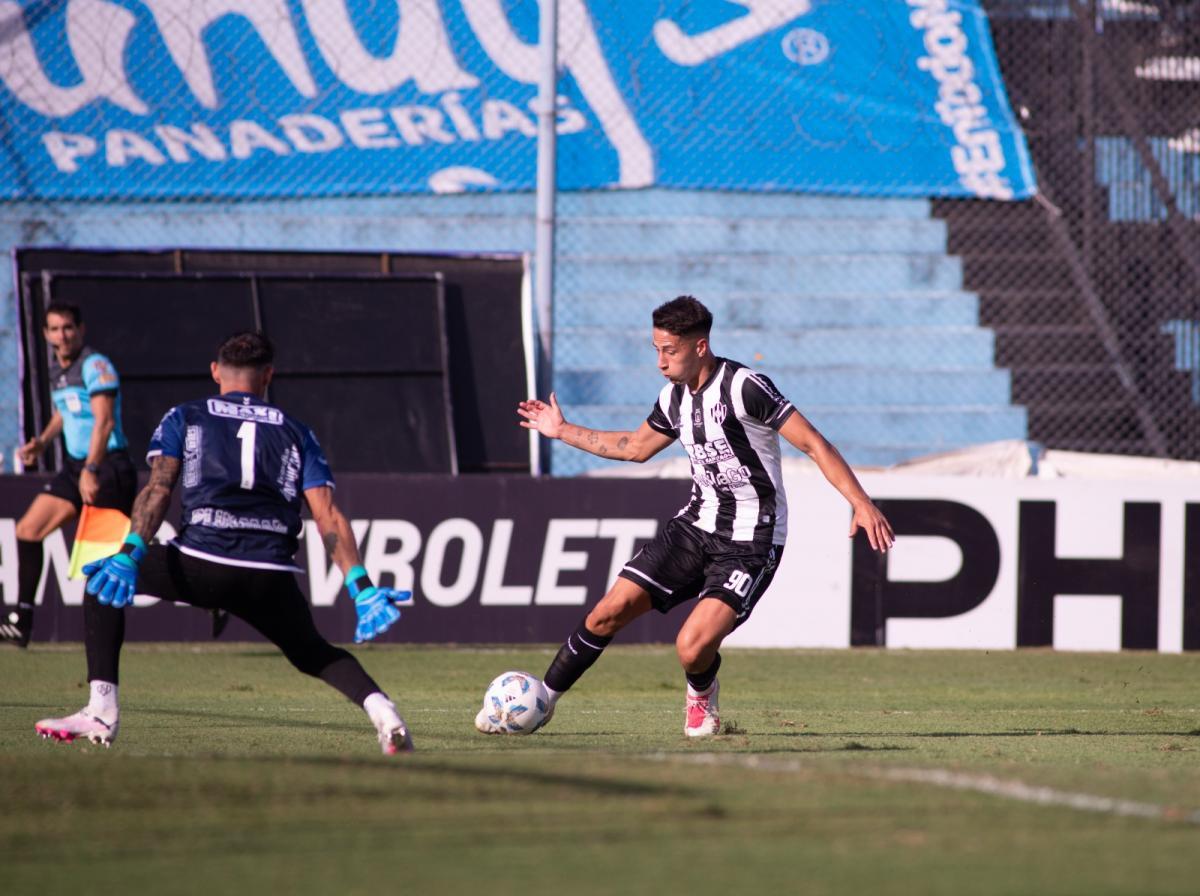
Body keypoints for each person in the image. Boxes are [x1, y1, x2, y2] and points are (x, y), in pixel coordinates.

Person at [477, 296, 894, 738]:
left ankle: (701, 694)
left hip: (750, 543)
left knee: (691, 648)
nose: (659, 361)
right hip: (694, 528)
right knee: (607, 612)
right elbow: (635, 449)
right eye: (655, 349)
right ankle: (542, 701)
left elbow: (813, 443)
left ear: (699, 347)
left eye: (668, 350)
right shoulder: (672, 398)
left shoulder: (745, 387)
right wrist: (562, 431)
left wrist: (861, 502)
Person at [34, 332, 415, 754]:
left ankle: (101, 711)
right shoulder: (298, 431)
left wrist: (129, 553)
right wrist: (360, 586)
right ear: (268, 376)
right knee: (312, 651)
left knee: (99, 585)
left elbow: (158, 490)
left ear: (215, 371)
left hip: (201, 563)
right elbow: (328, 515)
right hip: (270, 574)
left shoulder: (185, 415)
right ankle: (386, 715)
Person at [2, 303, 136, 648]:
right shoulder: (57, 371)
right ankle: (22, 620)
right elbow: (64, 413)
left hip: (107, 466)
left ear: (81, 330)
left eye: (68, 328)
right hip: (77, 468)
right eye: (55, 329)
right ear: (46, 334)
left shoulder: (96, 365)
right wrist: (42, 442)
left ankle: (206, 595)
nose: (62, 336)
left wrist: (92, 469)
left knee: (120, 554)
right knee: (28, 530)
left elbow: (104, 422)